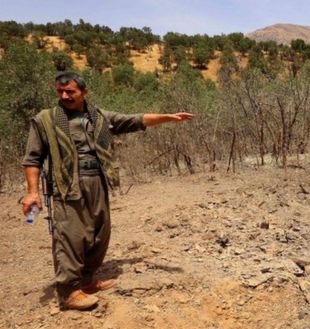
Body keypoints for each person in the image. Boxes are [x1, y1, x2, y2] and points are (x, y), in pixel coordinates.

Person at [22, 71, 195, 310]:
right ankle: (69, 292)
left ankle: (87, 280)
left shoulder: (99, 117)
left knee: (99, 233)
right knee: (70, 236)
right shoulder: (45, 120)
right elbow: (32, 159)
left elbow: (135, 120)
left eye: (70, 91)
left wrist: (168, 117)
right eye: (60, 92)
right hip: (67, 184)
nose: (64, 96)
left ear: (84, 92)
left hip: (97, 181)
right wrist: (33, 192)